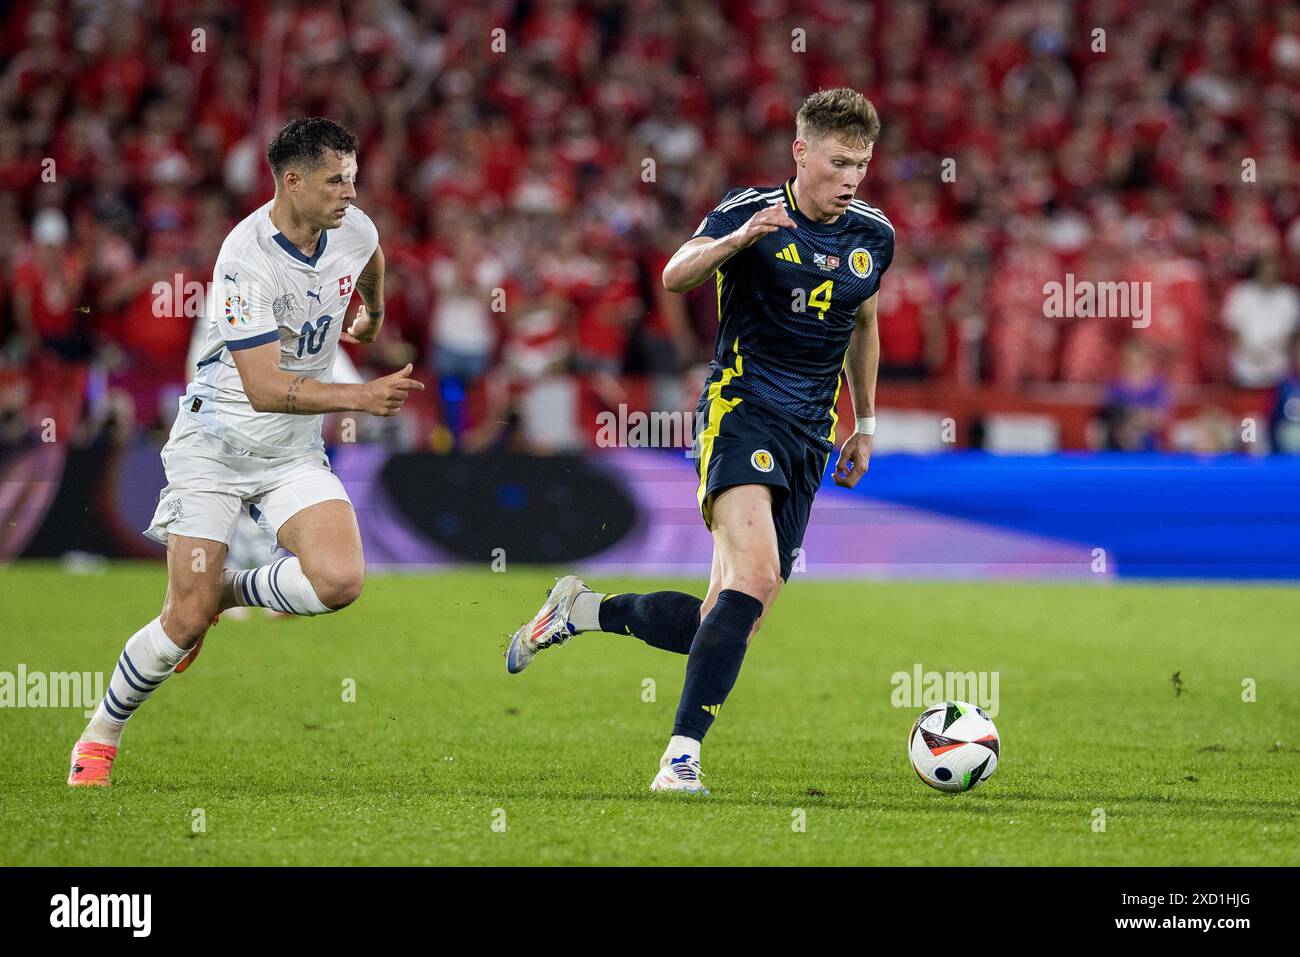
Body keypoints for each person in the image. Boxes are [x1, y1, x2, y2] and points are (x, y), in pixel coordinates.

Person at [505, 89, 892, 793]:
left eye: (861, 165)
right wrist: (740, 240)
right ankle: (679, 758)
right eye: (839, 162)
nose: (851, 179)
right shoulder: (748, 210)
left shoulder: (871, 233)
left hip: (809, 434)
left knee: (722, 620)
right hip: (740, 412)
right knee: (759, 577)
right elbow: (674, 275)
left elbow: (863, 325)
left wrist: (862, 424)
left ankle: (580, 610)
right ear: (801, 152)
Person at [67, 117, 424, 787]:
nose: (350, 191)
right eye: (335, 179)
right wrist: (359, 398)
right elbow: (262, 388)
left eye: (353, 176)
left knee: (340, 581)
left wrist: (371, 314)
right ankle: (100, 735)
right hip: (217, 446)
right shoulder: (244, 260)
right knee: (181, 619)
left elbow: (371, 259)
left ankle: (225, 589)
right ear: (291, 181)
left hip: (289, 452)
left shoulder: (354, 226)